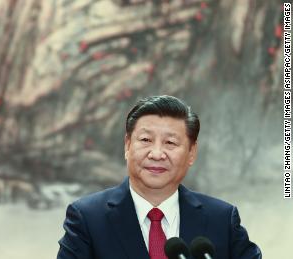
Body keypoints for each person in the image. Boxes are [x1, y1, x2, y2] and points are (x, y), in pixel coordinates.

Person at [57, 95, 261, 259]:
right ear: (127, 145)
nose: (156, 153)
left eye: (170, 143)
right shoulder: (88, 219)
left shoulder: (222, 219)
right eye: (146, 140)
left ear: (191, 153)